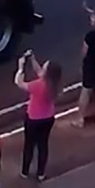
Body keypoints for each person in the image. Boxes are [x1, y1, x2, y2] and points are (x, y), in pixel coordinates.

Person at [14, 52, 59, 180]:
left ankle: (25, 171)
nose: (42, 67)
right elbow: (40, 72)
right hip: (48, 118)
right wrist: (33, 60)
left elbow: (19, 83)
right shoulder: (54, 84)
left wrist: (20, 67)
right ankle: (41, 173)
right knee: (43, 144)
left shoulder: (38, 85)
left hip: (33, 119)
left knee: (29, 144)